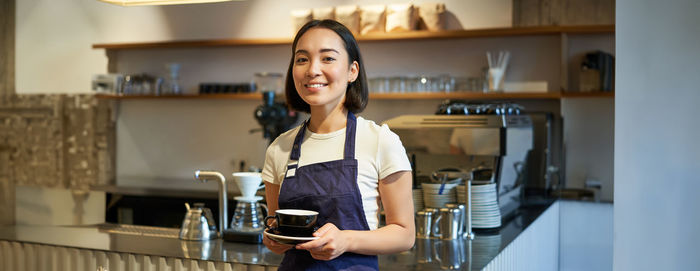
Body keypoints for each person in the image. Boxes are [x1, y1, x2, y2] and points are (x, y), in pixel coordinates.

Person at [261, 19, 415, 271]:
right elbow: (277, 229)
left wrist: (346, 240)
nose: (312, 70)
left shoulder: (380, 141)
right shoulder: (279, 148)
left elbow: (404, 234)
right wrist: (273, 239)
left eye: (328, 58)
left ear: (352, 71)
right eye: (302, 59)